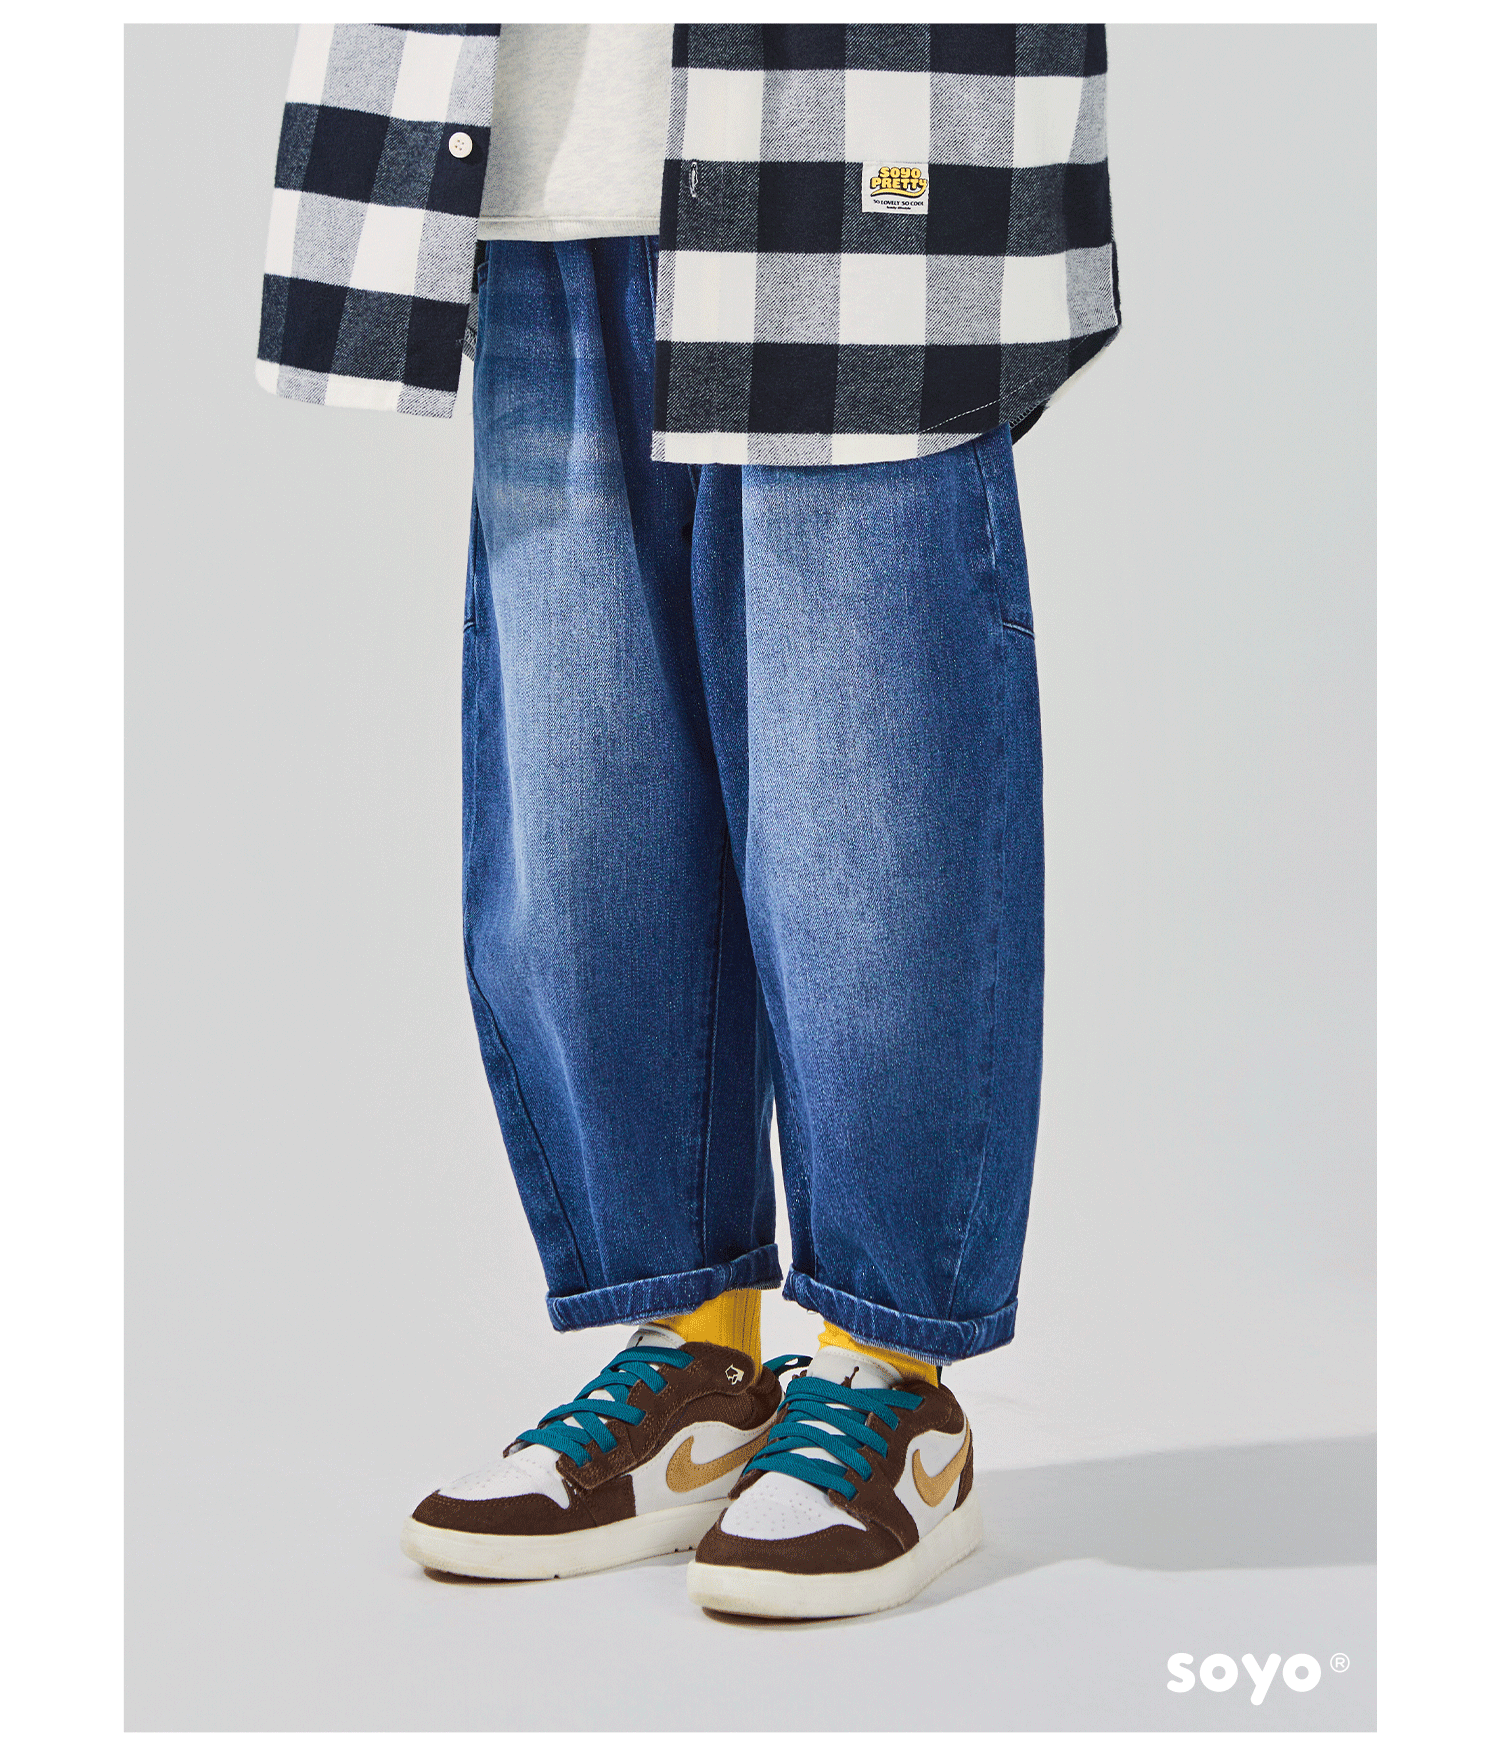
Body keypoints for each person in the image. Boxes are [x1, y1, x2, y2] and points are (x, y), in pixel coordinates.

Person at [258, 21, 1118, 1620]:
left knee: (872, 817)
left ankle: (889, 1389)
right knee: (584, 817)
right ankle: (700, 1365)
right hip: (538, 159)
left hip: (853, 135)